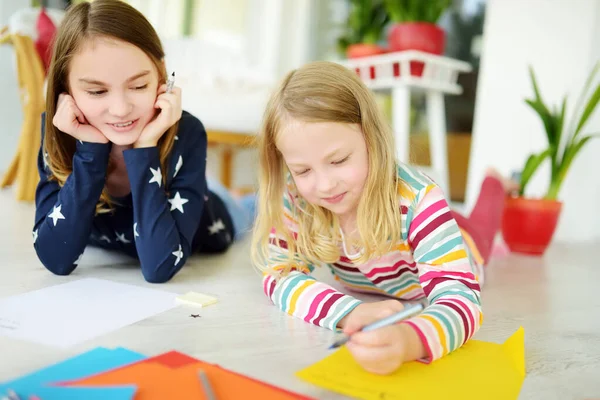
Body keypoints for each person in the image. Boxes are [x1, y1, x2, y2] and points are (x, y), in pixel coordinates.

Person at [251, 61, 517, 375]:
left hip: (461, 241)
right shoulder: (298, 197)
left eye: (338, 160)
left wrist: (410, 340)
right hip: (420, 227)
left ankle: (496, 182)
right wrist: (350, 312)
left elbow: (461, 299)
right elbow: (280, 274)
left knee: (482, 225)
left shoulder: (421, 201)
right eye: (303, 170)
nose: (324, 185)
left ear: (371, 138)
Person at [33, 0, 253, 283]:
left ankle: (238, 198)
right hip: (187, 190)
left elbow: (159, 267)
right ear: (66, 89)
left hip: (215, 215)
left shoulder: (187, 132)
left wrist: (146, 145)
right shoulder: (59, 130)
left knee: (250, 209)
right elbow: (56, 259)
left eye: (138, 86)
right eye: (98, 91)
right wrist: (90, 151)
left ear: (162, 75)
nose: (121, 109)